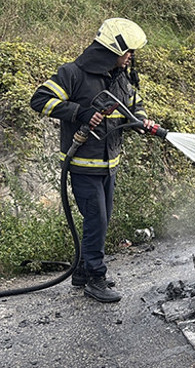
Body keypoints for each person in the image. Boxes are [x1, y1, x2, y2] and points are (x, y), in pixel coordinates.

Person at [30, 18, 157, 303]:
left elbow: (133, 105)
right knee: (97, 219)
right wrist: (80, 113)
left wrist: (142, 121)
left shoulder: (120, 77)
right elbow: (40, 99)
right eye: (128, 52)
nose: (131, 57)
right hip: (83, 166)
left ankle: (83, 272)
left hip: (109, 165)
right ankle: (96, 280)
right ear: (112, 50)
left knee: (101, 219)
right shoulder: (73, 74)